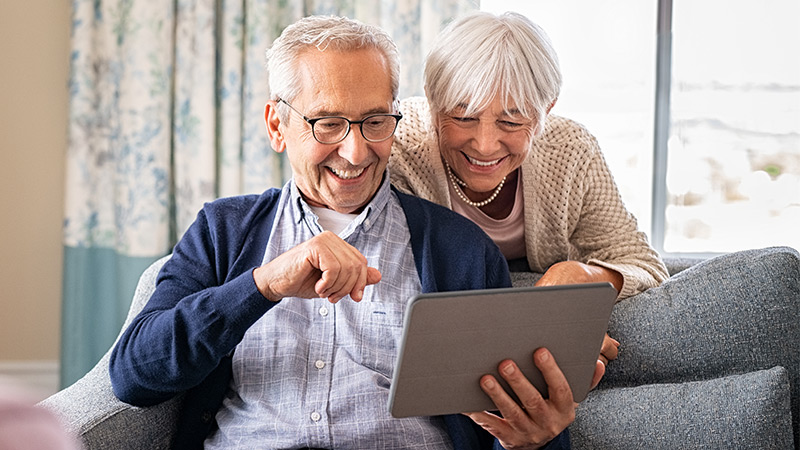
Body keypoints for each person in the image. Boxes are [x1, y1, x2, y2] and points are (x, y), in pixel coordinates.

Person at [109, 15, 580, 450]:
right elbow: (134, 375)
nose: (355, 152)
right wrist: (263, 286)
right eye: (328, 124)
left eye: (375, 122)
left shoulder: (459, 250)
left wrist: (534, 440)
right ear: (278, 125)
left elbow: (514, 423)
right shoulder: (223, 230)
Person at [389, 11, 669, 370]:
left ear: (545, 112)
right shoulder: (401, 146)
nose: (485, 145)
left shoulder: (570, 150)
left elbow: (645, 265)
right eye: (463, 117)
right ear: (431, 101)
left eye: (511, 121)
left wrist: (582, 277)